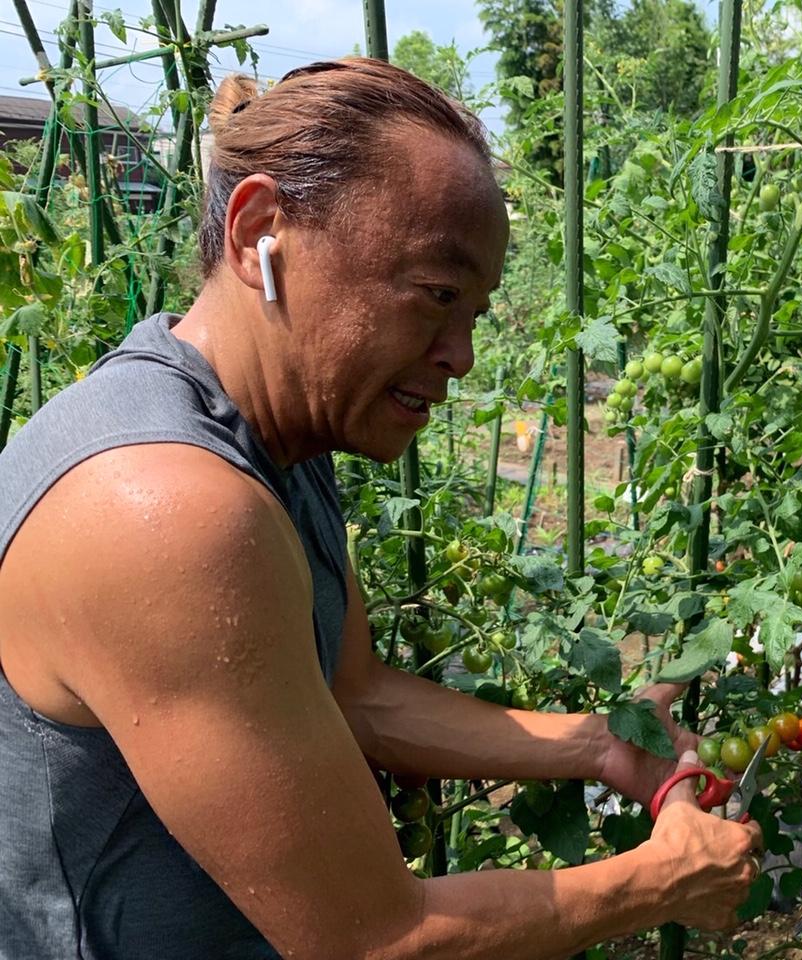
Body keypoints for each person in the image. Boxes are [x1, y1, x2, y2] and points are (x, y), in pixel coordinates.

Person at [0, 58, 762, 960]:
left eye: (475, 313)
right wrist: (665, 879)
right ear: (260, 234)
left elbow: (356, 695)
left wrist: (599, 746)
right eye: (438, 295)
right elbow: (373, 942)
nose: (461, 356)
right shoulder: (169, 508)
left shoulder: (273, 438)